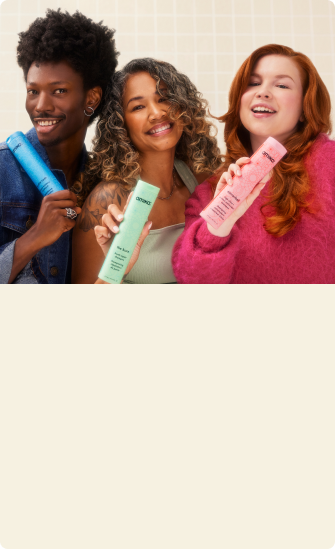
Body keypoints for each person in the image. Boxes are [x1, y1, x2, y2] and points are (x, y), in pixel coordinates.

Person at [172, 44, 335, 284]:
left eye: (281, 85)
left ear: (304, 107)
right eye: (253, 83)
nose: (263, 92)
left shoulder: (329, 164)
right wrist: (219, 223)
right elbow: (194, 283)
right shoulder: (211, 192)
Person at [72, 58, 223, 284]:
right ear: (121, 124)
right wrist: (117, 269)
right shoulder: (108, 200)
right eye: (138, 107)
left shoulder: (202, 181)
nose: (157, 113)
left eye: (164, 99)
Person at [0, 9, 118, 284]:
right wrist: (35, 236)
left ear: (91, 97)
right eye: (33, 91)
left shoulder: (102, 183)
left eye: (59, 90)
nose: (40, 106)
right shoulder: (3, 170)